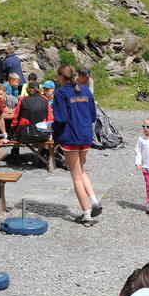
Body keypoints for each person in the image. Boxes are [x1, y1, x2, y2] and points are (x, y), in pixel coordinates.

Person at [53, 65, 102, 225]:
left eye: (58, 77)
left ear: (61, 77)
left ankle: (86, 214)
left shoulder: (60, 93)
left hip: (70, 136)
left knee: (75, 175)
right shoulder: (85, 90)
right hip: (86, 134)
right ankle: (94, 201)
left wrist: (52, 129)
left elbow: (60, 118)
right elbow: (93, 115)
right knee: (81, 170)